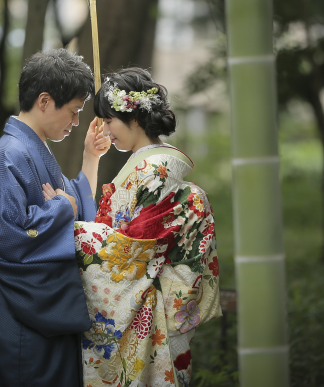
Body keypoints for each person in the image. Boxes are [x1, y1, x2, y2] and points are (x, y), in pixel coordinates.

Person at [52, 67, 222, 387]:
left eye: (109, 120)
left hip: (158, 302)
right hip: (159, 295)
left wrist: (65, 224)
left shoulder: (156, 168)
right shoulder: (149, 163)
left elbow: (130, 249)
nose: (105, 128)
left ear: (134, 117)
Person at [0, 48, 111, 387]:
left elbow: (74, 204)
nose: (77, 122)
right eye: (74, 111)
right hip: (22, 327)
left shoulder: (32, 148)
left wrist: (90, 158)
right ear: (45, 101)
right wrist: (61, 209)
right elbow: (5, 241)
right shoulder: (7, 156)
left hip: (46, 318)